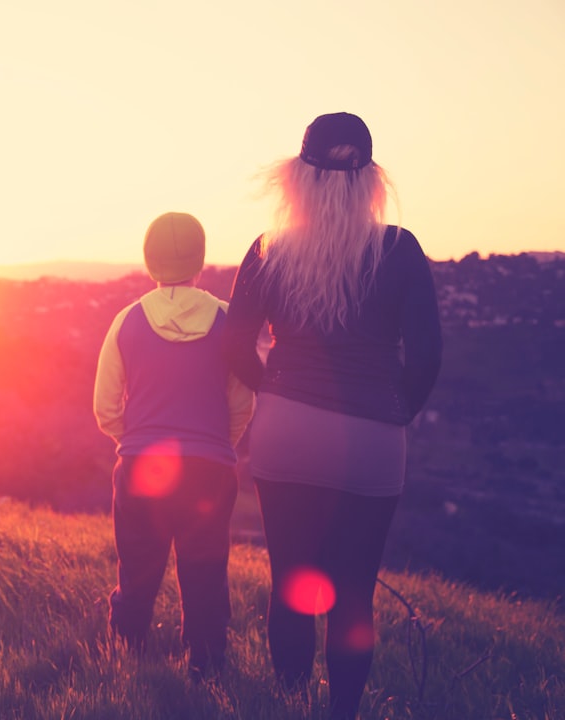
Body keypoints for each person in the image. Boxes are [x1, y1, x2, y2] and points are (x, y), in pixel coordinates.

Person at [221, 112, 443, 719]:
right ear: (371, 179)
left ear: (297, 176)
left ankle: (291, 707)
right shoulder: (399, 249)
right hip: (373, 436)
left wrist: (276, 392)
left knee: (291, 583)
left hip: (285, 430)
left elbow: (235, 344)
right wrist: (393, 413)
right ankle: (342, 712)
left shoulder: (269, 250)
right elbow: (426, 357)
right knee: (353, 596)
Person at [93, 211, 254, 680]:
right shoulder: (228, 322)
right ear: (201, 261)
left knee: (138, 567)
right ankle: (206, 667)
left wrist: (136, 443)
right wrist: (217, 448)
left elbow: (105, 408)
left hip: (141, 466)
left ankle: (127, 658)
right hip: (210, 468)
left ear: (148, 262)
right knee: (205, 569)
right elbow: (242, 404)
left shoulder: (125, 321)